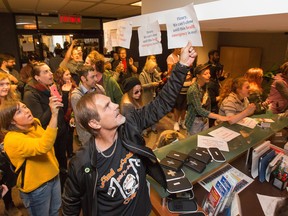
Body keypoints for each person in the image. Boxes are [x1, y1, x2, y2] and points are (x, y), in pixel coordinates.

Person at [62, 42, 197, 216]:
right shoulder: (82, 163)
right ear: (95, 123)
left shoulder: (129, 125)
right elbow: (70, 205)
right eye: (107, 107)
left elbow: (162, 103)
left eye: (111, 102)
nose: (116, 107)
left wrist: (182, 66)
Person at [0, 96, 62, 215]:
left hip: (53, 176)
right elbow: (44, 145)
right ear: (11, 121)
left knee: (55, 211)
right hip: (37, 187)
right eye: (19, 112)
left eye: (24, 107)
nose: (27, 110)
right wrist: (54, 115)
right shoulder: (12, 139)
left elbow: (48, 142)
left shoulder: (34, 124)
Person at [23, 63, 68, 189]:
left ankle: (64, 188)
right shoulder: (30, 94)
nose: (51, 74)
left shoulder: (50, 87)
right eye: (46, 72)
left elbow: (61, 110)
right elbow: (40, 121)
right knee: (53, 164)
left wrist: (64, 94)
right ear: (37, 77)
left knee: (62, 160)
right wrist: (51, 106)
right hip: (47, 136)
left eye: (50, 70)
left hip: (60, 131)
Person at [0, 73, 22, 215]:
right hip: (1, 146)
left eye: (7, 84)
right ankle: (9, 205)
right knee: (4, 176)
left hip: (13, 142)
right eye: (1, 84)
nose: (6, 87)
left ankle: (11, 202)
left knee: (13, 173)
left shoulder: (13, 99)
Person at [186, 64, 229, 135]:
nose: (209, 75)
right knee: (194, 142)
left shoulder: (206, 85)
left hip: (205, 118)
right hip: (195, 120)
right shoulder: (193, 90)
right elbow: (199, 110)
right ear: (198, 75)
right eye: (205, 74)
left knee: (203, 138)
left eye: (209, 73)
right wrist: (219, 117)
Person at [71, 65, 105, 145]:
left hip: (102, 133)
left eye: (96, 76)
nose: (96, 79)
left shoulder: (99, 89)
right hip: (88, 138)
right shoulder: (77, 96)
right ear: (83, 79)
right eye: (92, 77)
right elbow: (81, 121)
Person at [53, 67, 77, 158]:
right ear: (61, 76)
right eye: (67, 74)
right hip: (63, 114)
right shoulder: (57, 88)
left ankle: (70, 152)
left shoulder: (73, 84)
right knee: (65, 135)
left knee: (70, 134)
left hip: (72, 113)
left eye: (69, 74)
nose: (69, 76)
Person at [139, 59, 161, 135]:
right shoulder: (142, 74)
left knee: (153, 113)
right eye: (153, 68)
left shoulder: (153, 73)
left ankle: (153, 127)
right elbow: (142, 86)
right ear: (149, 67)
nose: (154, 69)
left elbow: (159, 79)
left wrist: (157, 76)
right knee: (145, 114)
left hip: (153, 96)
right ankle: (144, 131)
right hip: (145, 97)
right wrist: (152, 84)